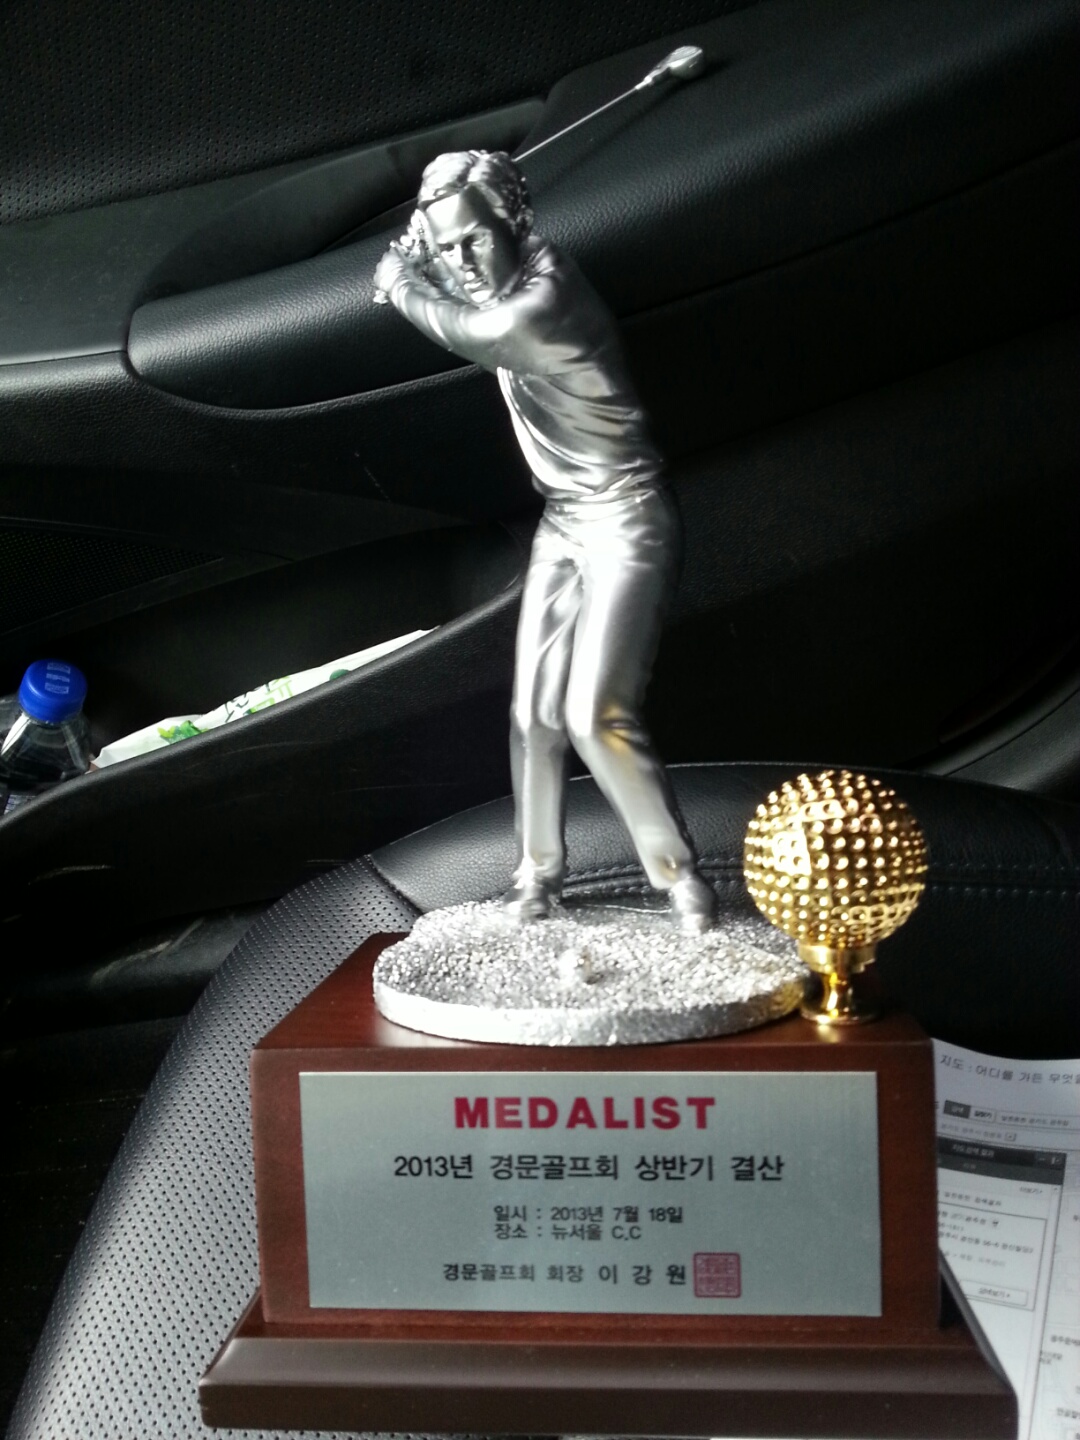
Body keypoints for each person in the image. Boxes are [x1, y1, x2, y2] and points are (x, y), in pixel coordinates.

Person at [374, 150, 716, 933]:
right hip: (563, 520)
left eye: (474, 240)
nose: (463, 262)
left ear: (513, 224)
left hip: (626, 516)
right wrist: (423, 258)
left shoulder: (544, 301)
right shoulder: (496, 282)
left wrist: (402, 280)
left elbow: (477, 333)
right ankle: (536, 879)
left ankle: (681, 883)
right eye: (445, 247)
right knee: (533, 714)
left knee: (596, 714)